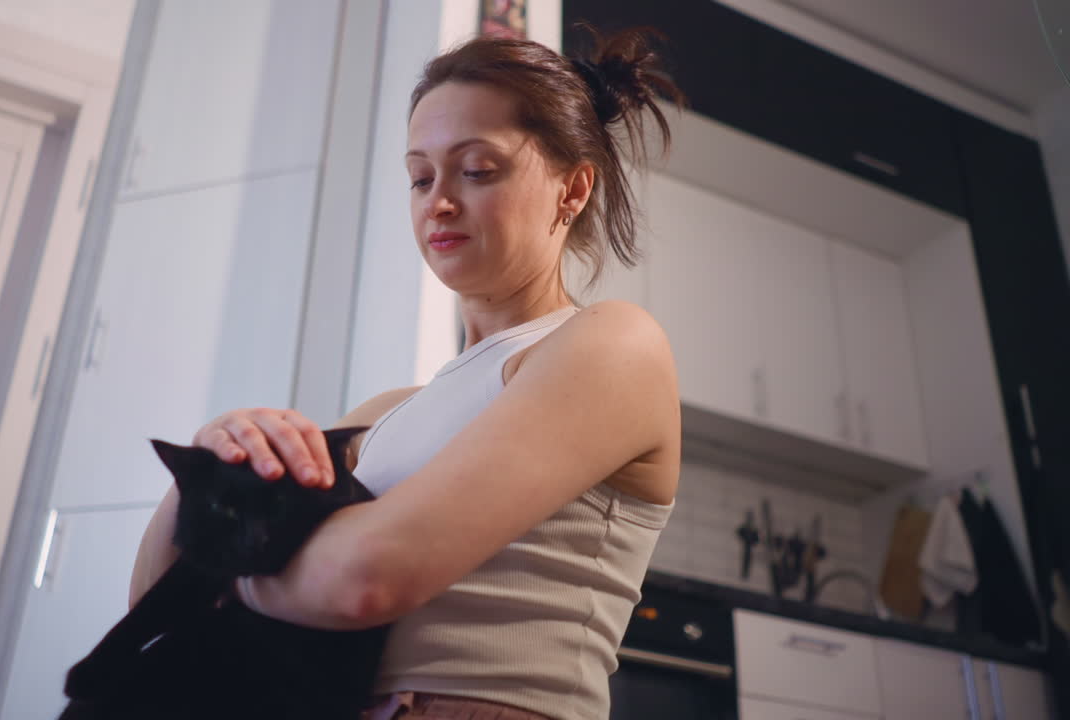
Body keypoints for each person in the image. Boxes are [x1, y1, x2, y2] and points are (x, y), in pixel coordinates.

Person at [129, 25, 687, 720]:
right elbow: (153, 600)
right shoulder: (382, 414)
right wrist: (213, 451)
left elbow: (368, 579)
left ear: (572, 189)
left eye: (477, 170)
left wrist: (229, 572)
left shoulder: (614, 345)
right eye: (420, 177)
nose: (437, 201)